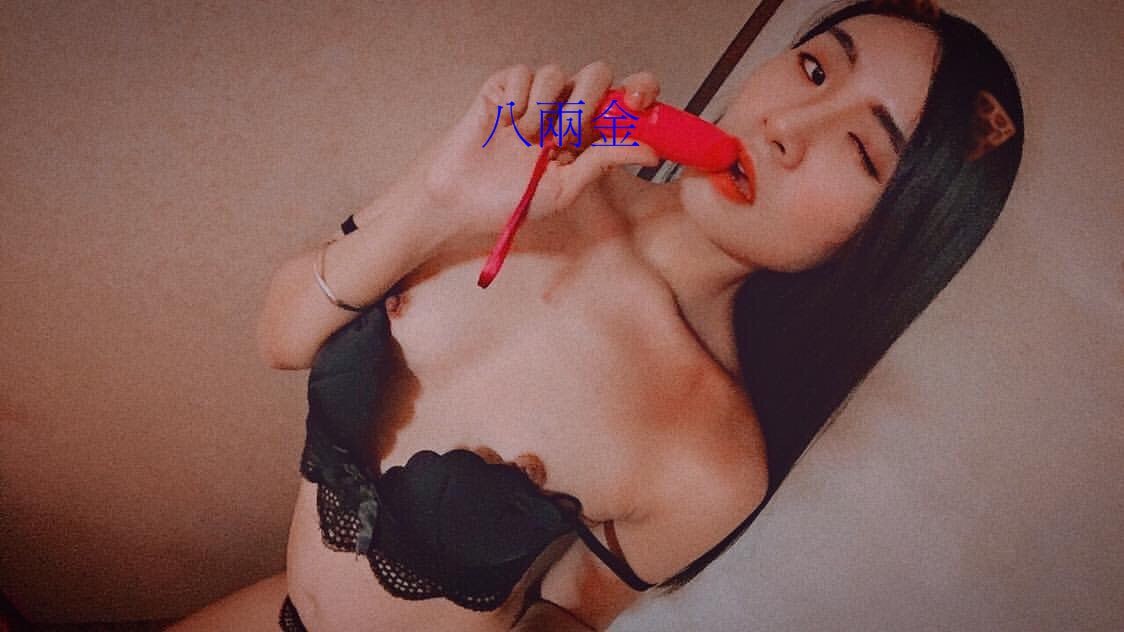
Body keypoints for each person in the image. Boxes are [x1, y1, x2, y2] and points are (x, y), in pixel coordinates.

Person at [171, 1, 1023, 630]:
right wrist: (436, 202)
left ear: (882, 246)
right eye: (814, 69)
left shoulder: (715, 458)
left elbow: (571, 615)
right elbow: (280, 338)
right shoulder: (524, 164)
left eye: (863, 149)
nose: (786, 129)